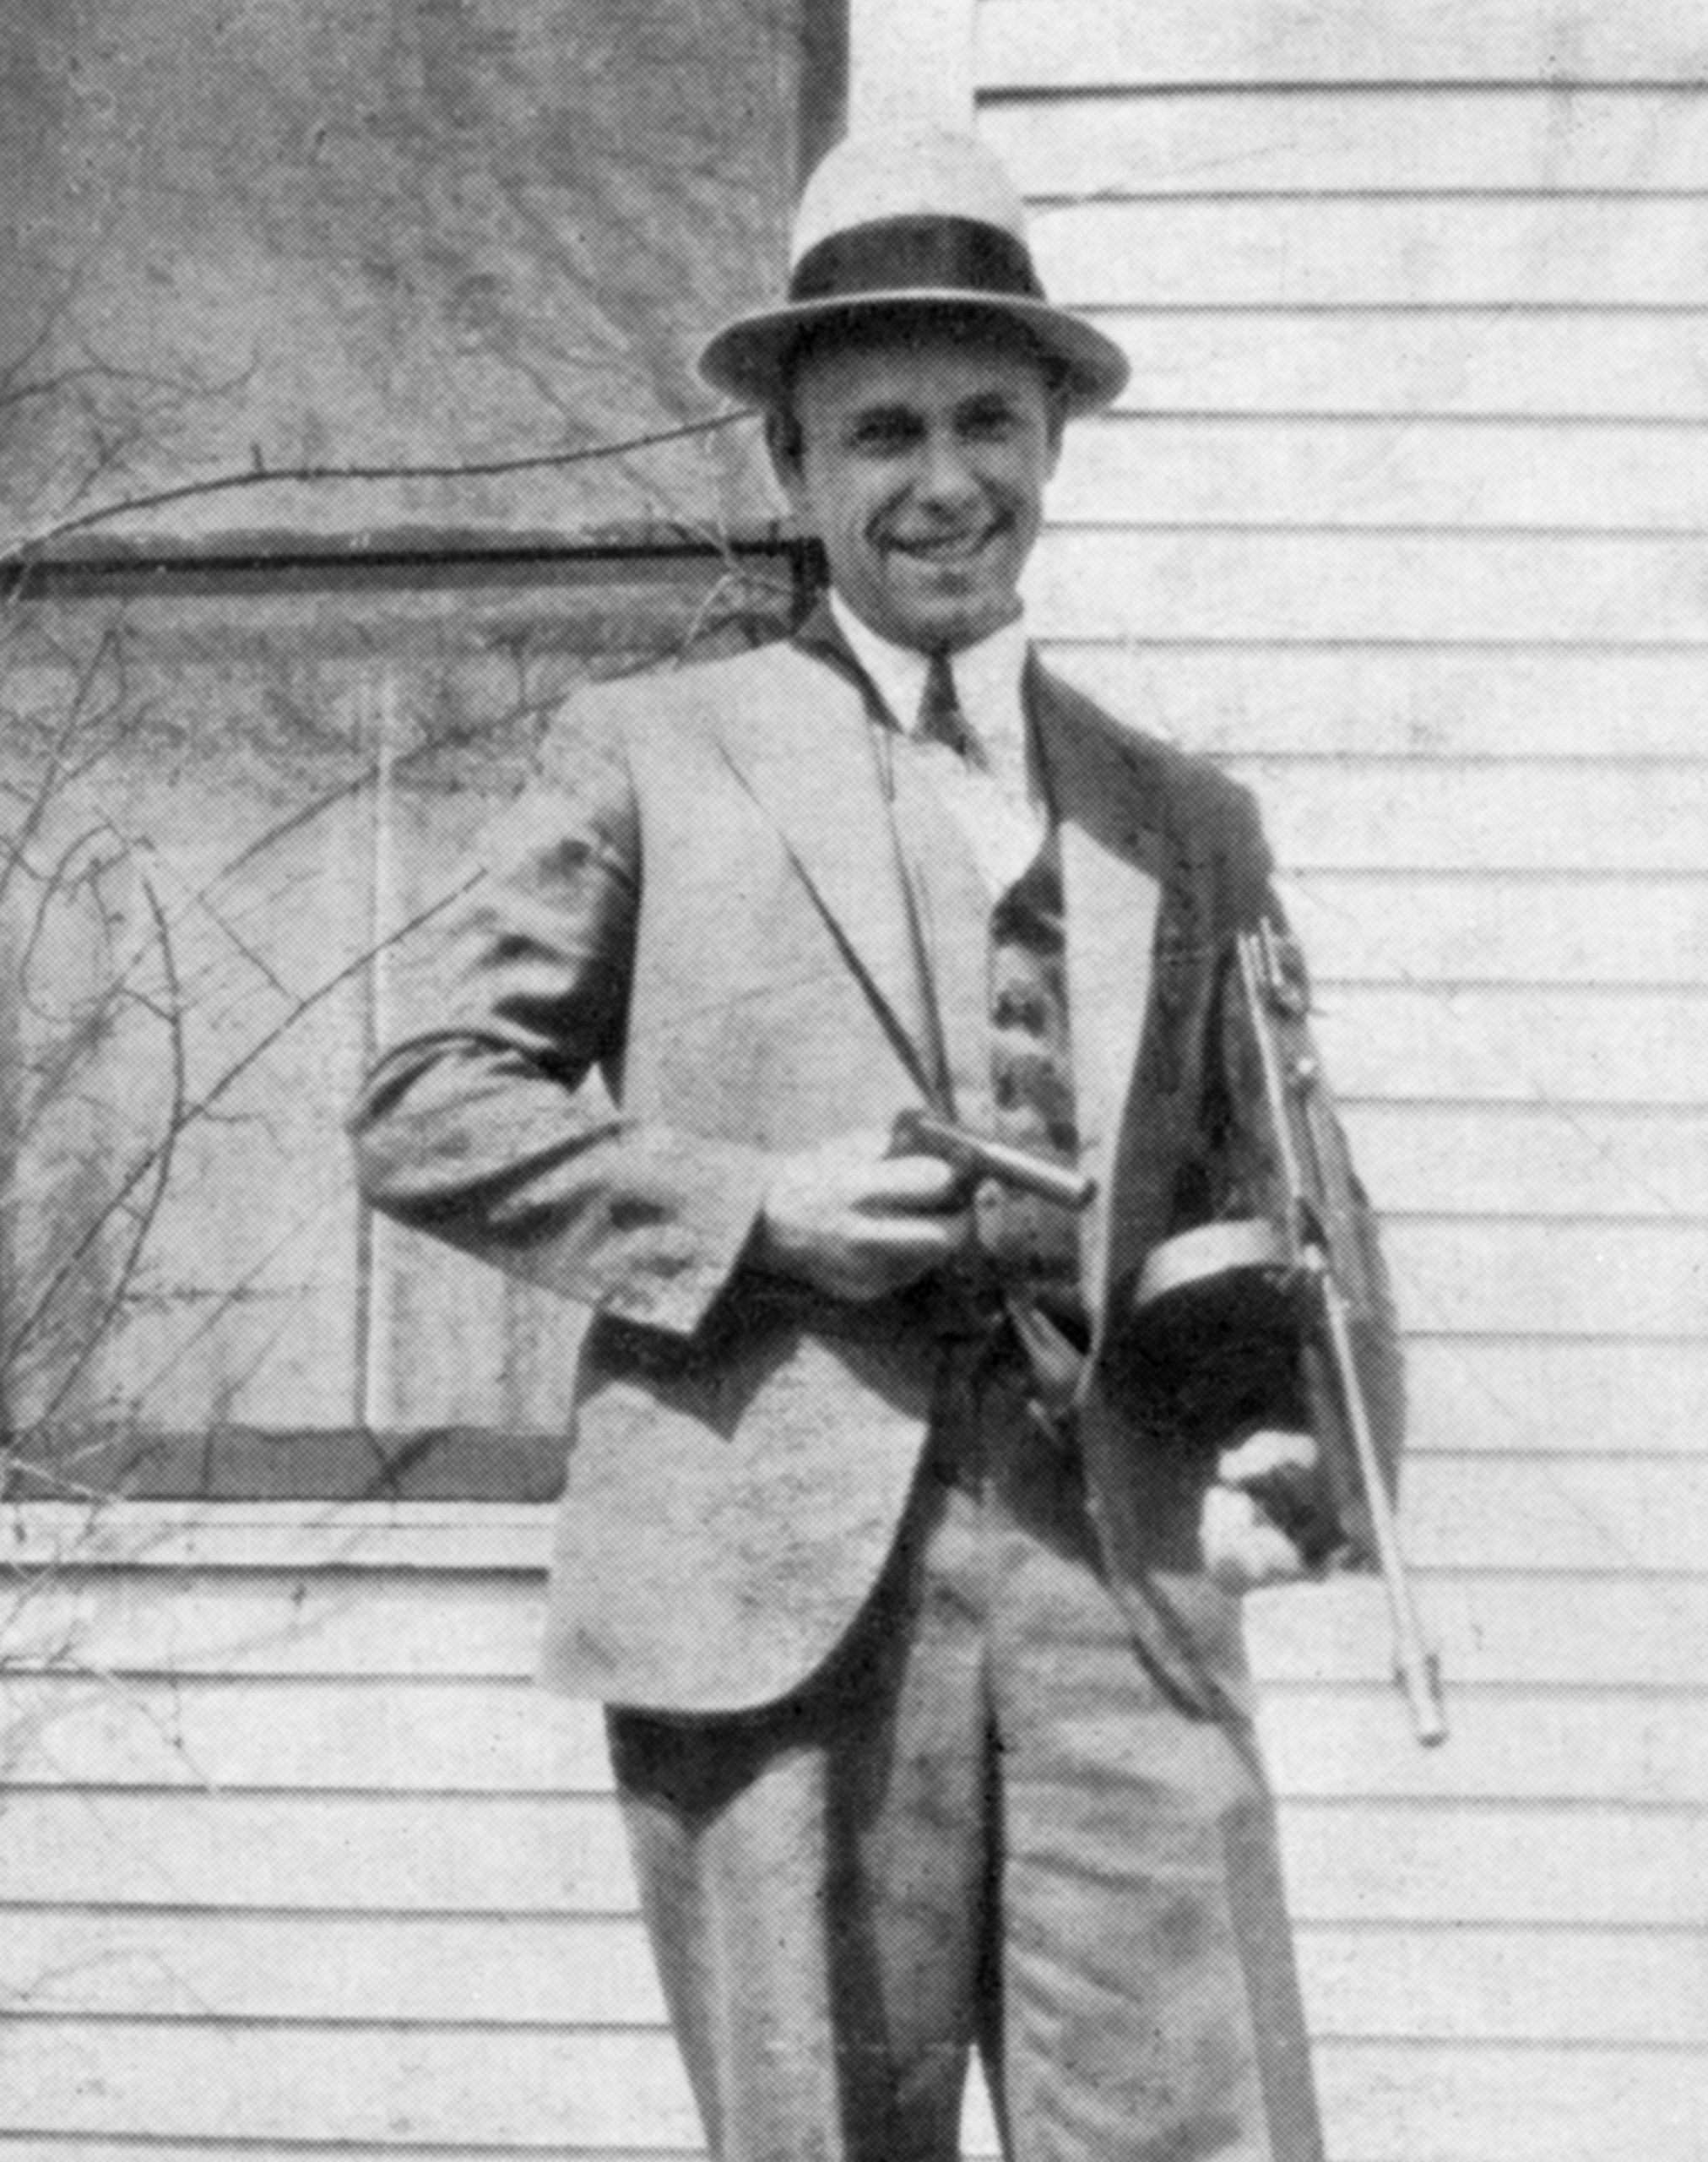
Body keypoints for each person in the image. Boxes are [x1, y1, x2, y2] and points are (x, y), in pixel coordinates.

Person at [350, 126, 1402, 2162]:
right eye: (883, 431)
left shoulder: (1181, 814)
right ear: (793, 464)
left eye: (988, 422)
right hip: (777, 1587)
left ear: (1053, 442)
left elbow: (1287, 1188)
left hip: (1122, 1582)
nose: (944, 482)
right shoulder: (651, 752)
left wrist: (1302, 1427)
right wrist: (756, 1208)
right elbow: (426, 1102)